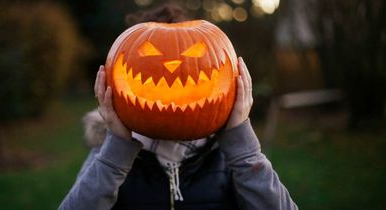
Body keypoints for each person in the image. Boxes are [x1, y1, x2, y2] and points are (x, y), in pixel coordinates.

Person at [59, 4, 298, 210]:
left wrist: (242, 147)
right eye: (150, 53)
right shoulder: (109, 156)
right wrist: (117, 146)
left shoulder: (230, 158)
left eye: (194, 52)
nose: (173, 64)